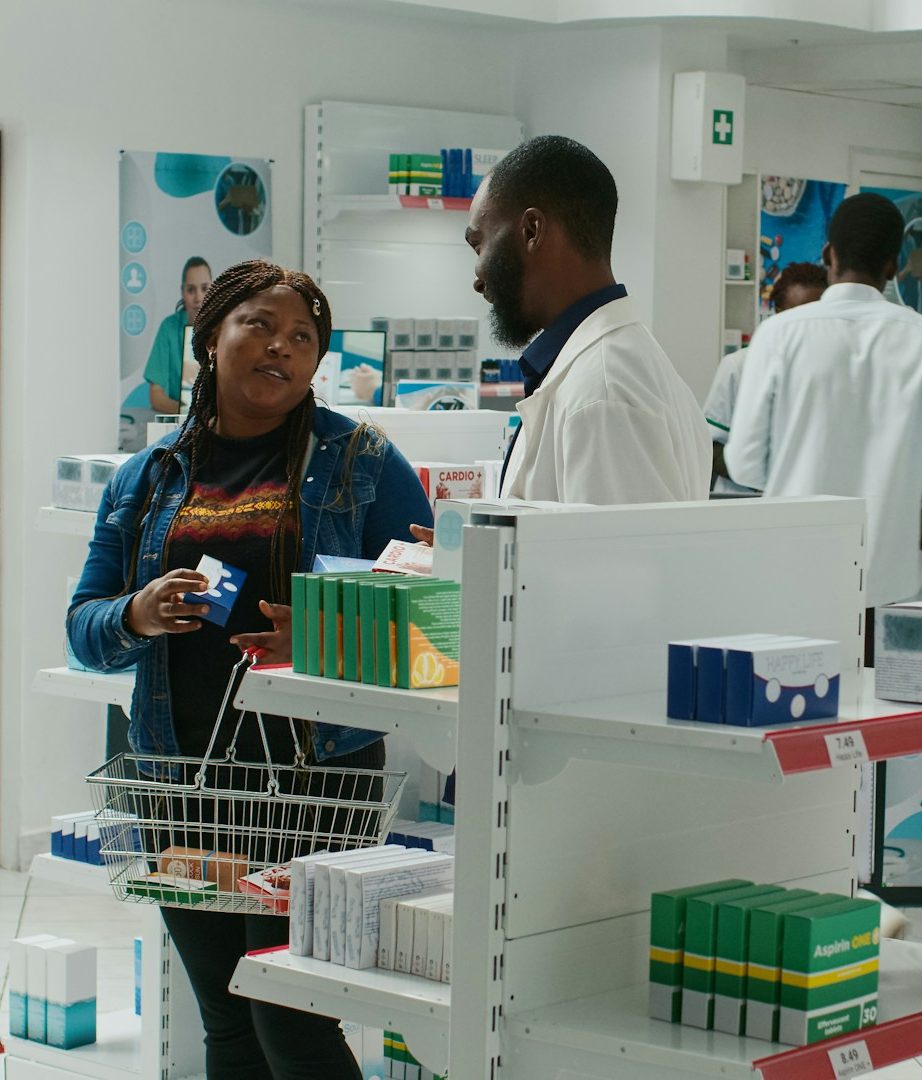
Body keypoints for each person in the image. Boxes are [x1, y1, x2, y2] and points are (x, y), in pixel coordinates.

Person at [69, 260, 433, 1079]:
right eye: (260, 326)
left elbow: (434, 610)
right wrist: (138, 611)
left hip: (316, 782)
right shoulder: (146, 476)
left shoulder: (361, 460)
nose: (281, 347)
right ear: (210, 338)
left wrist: (332, 631)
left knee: (292, 1022)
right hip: (180, 779)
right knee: (227, 1021)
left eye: (302, 337)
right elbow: (84, 628)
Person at [724, 193, 922, 651]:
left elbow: (743, 460)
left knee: (793, 693)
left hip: (793, 575)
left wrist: (793, 482)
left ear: (828, 254)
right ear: (894, 265)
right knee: (879, 693)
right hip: (885, 581)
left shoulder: (778, 333)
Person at [461, 134, 711, 503]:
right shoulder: (611, 366)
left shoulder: (603, 391)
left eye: (479, 245)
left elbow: (618, 543)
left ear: (531, 231)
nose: (478, 279)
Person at [707, 262, 827, 493]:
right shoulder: (739, 365)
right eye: (795, 315)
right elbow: (709, 446)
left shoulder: (831, 369)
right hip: (746, 499)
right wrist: (773, 476)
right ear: (777, 313)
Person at [144, 256, 213, 414]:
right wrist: (187, 412)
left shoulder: (225, 328)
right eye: (191, 290)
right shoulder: (169, 328)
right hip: (182, 419)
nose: (198, 298)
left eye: (204, 288)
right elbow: (156, 396)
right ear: (182, 292)